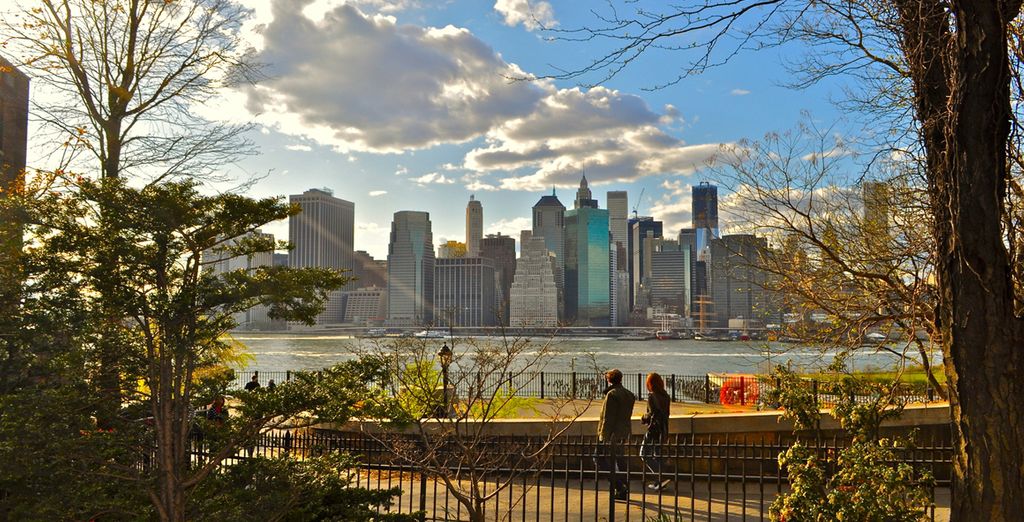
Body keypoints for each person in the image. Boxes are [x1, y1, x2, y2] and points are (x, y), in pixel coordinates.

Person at [596, 368, 635, 500]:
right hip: (623, 432)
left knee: (599, 458)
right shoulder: (629, 394)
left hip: (611, 434)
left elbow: (608, 418)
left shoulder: (612, 395)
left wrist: (603, 436)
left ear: (609, 380)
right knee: (620, 459)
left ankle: (619, 486)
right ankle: (624, 486)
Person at [641, 372, 671, 491]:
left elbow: (651, 414)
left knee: (644, 454)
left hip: (653, 430)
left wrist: (643, 418)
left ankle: (661, 478)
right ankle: (659, 482)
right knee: (657, 455)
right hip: (663, 429)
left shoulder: (651, 397)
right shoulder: (666, 396)